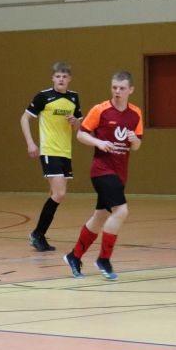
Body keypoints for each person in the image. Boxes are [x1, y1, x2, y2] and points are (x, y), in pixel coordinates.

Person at [63, 71, 143, 281]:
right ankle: (104, 259)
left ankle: (74, 256)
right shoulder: (100, 110)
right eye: (114, 87)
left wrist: (134, 140)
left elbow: (136, 146)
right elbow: (81, 134)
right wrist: (98, 142)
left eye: (122, 88)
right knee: (121, 211)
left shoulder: (135, 113)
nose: (117, 91)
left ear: (130, 90)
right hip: (101, 170)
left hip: (120, 173)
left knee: (99, 217)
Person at [19, 62, 82, 252]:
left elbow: (79, 127)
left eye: (64, 76)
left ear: (69, 79)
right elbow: (24, 118)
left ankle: (40, 235)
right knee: (60, 194)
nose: (61, 79)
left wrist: (75, 122)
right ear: (53, 78)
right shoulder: (44, 96)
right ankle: (37, 234)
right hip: (49, 150)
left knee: (55, 194)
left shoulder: (74, 98)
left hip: (65, 152)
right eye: (58, 76)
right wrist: (30, 143)